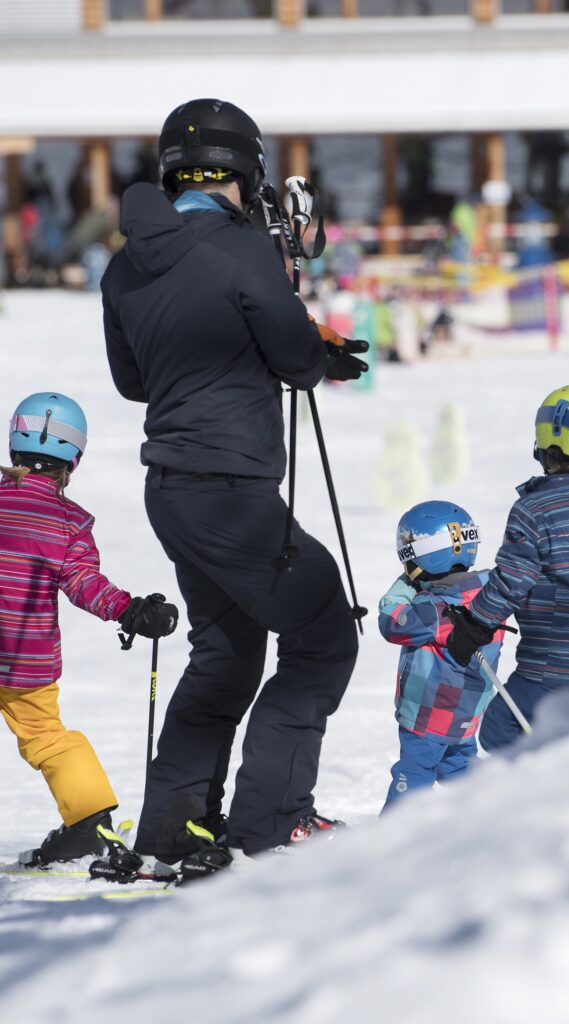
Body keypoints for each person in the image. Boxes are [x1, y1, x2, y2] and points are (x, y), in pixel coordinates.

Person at [100, 98, 369, 875]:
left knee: (226, 652)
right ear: (247, 173)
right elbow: (291, 357)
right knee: (322, 637)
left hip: (174, 490)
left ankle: (172, 829)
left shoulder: (126, 263)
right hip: (232, 488)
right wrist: (315, 352)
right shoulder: (245, 252)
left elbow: (132, 380)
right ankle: (270, 821)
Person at [1, 392, 177, 866]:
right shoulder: (69, 521)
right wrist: (129, 610)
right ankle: (88, 820)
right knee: (45, 735)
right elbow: (83, 582)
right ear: (72, 461)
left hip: (26, 656)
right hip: (26, 659)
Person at [442, 385, 569, 750]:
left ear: (541, 449)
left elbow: (512, 581)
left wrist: (474, 625)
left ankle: (544, 796)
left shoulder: (532, 511)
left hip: (548, 670)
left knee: (498, 729)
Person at [378, 501, 505, 811]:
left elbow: (390, 621)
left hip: (426, 720)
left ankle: (394, 838)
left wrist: (407, 582)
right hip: (466, 718)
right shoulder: (493, 595)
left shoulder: (431, 609)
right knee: (463, 776)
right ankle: (478, 824)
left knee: (414, 778)